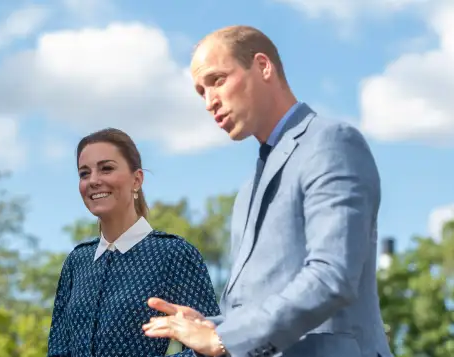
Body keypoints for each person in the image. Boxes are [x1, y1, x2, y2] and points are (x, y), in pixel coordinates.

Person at [142, 25, 393, 357]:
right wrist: (212, 326)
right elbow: (254, 313)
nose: (209, 102)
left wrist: (222, 339)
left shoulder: (331, 142)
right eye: (201, 92)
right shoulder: (247, 191)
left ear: (263, 66)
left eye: (217, 80)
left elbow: (332, 275)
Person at [47, 128, 220, 357]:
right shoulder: (76, 262)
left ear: (136, 179)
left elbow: (209, 348)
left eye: (106, 168)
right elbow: (57, 350)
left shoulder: (174, 254)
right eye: (84, 173)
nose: (94, 181)